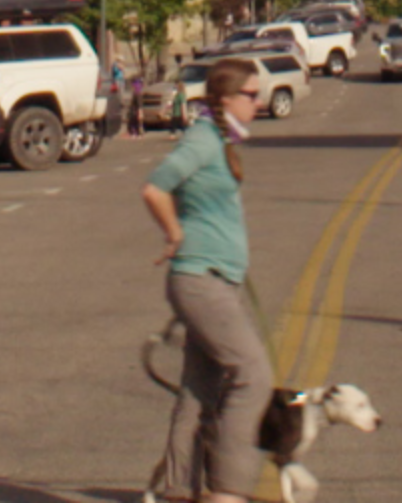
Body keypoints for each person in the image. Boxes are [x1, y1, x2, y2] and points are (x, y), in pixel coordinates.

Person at [140, 59, 272, 503]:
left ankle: (178, 491)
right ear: (226, 99)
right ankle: (229, 489)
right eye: (251, 94)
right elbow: (155, 187)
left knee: (199, 392)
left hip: (215, 278)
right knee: (253, 375)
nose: (258, 101)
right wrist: (173, 233)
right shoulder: (202, 140)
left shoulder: (218, 139)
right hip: (201, 280)